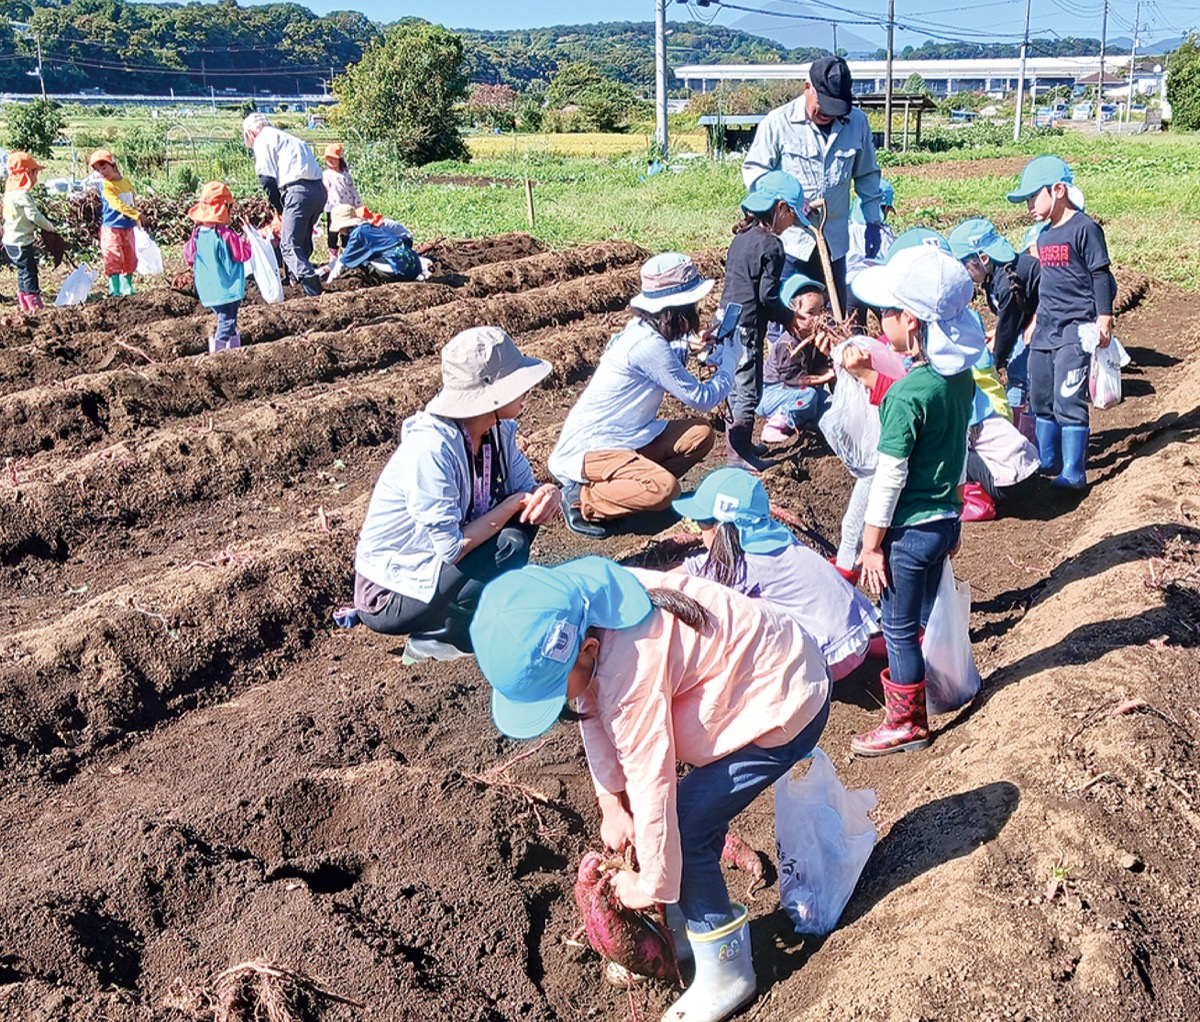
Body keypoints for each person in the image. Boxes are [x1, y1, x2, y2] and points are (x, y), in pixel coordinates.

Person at [470, 555, 830, 1022]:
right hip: (755, 675)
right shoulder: (582, 608)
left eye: (553, 691)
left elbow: (652, 777)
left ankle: (728, 972)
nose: (561, 703)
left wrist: (649, 884)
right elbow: (591, 707)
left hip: (784, 700)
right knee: (667, 826)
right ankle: (684, 924)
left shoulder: (631, 663)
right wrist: (610, 804)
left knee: (687, 823)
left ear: (589, 650)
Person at [845, 243, 983, 755]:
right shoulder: (957, 379)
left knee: (898, 627)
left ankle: (907, 723)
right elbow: (947, 442)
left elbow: (889, 476)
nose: (880, 322)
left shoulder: (907, 395)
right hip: (944, 518)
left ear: (911, 320)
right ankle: (949, 679)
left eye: (885, 313)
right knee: (928, 613)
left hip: (907, 532)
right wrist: (955, 520)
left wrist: (872, 545)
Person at [353, 327, 560, 663]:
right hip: (392, 593)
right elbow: (451, 547)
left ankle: (467, 619)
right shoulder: (432, 449)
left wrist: (546, 492)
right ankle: (439, 632)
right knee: (511, 542)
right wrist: (513, 503)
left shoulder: (498, 432)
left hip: (437, 568)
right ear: (492, 394)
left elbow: (527, 489)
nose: (527, 391)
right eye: (517, 382)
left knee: (523, 522)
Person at [550, 253, 741, 538]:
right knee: (666, 489)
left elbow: (666, 359)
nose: (695, 310)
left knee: (699, 435)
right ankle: (582, 499)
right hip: (595, 446)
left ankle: (631, 494)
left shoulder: (643, 330)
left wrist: (692, 346)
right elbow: (702, 399)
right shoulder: (647, 345)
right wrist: (730, 363)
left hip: (628, 436)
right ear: (676, 310)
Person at [673, 467, 878, 680]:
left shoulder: (746, 563)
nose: (699, 529)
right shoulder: (772, 540)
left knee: (734, 608)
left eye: (701, 523)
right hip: (857, 640)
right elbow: (697, 567)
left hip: (832, 661)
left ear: (720, 529)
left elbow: (689, 580)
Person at [742, 55, 885, 312]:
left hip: (834, 242)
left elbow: (867, 175)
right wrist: (786, 201)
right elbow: (755, 172)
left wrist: (871, 221)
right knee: (790, 317)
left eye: (836, 107)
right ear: (807, 88)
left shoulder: (857, 123)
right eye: (824, 105)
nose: (829, 114)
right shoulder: (778, 123)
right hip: (790, 242)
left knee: (832, 315)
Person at [1007, 155, 1115, 490]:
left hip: (1076, 326)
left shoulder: (1085, 229)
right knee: (1040, 394)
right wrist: (1032, 319)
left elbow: (1100, 274)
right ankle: (1047, 459)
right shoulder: (1043, 236)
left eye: (1032, 197)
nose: (1028, 205)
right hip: (1046, 327)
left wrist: (1104, 317)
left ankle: (1073, 471)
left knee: (1067, 395)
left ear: (1058, 190)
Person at [721, 171, 811, 470]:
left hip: (727, 319)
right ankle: (738, 456)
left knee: (735, 385)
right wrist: (790, 319)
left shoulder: (743, 237)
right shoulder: (772, 246)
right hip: (747, 326)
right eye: (792, 217)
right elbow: (767, 297)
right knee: (747, 389)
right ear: (781, 208)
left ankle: (743, 447)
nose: (793, 224)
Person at [949, 217, 1040, 414]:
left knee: (1029, 374)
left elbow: (1009, 330)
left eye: (965, 266)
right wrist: (997, 333)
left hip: (1051, 320)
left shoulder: (1006, 283)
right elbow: (1011, 318)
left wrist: (993, 363)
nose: (964, 274)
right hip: (1028, 321)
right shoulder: (994, 276)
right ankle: (1017, 424)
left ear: (983, 258)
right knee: (1017, 370)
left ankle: (1030, 430)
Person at [243, 112, 327, 296]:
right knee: (302, 239)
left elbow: (266, 180)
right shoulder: (288, 138)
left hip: (298, 192)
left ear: (251, 134)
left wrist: (280, 208)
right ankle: (294, 283)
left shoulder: (261, 140)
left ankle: (312, 288)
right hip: (319, 191)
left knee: (288, 245)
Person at [757, 273, 835, 444]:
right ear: (791, 314)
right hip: (773, 392)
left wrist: (833, 362)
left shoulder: (816, 338)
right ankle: (776, 425)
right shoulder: (786, 345)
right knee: (809, 396)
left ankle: (810, 422)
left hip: (799, 391)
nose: (818, 318)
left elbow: (822, 366)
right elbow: (793, 380)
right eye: (810, 313)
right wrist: (825, 377)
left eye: (821, 311)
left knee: (830, 402)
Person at [184, 181, 254, 354]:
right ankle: (218, 354)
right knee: (228, 321)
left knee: (226, 319)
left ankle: (232, 350)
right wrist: (250, 239)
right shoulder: (226, 235)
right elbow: (242, 255)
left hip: (208, 288)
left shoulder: (197, 233)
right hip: (226, 287)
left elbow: (189, 258)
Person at [2, 151, 60, 311]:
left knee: (22, 271)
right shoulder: (22, 195)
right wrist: (50, 227)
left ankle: (24, 301)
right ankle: (34, 302)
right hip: (21, 242)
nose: (37, 178)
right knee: (29, 272)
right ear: (27, 174)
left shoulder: (9, 194)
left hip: (9, 241)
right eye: (35, 173)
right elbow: (33, 215)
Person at [88, 148, 141, 298]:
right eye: (98, 170)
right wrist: (137, 215)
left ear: (113, 166)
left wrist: (136, 218)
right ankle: (114, 288)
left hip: (127, 227)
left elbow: (131, 201)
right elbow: (117, 204)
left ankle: (127, 285)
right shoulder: (106, 186)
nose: (102, 172)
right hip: (111, 228)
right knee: (113, 255)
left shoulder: (126, 183)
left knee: (130, 255)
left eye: (104, 167)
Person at [326, 205, 424, 284]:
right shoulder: (369, 228)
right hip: (414, 265)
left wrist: (330, 282)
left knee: (362, 263)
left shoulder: (358, 234)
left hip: (400, 268)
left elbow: (343, 261)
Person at [845, 179, 896, 329]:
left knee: (855, 331)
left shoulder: (848, 229)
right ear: (883, 208)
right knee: (890, 327)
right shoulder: (883, 232)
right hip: (876, 285)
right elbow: (890, 260)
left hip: (850, 286)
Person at [322, 143, 361, 262]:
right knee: (332, 232)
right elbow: (325, 191)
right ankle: (333, 257)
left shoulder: (345, 175)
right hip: (333, 209)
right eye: (328, 158)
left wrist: (358, 204)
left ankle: (346, 255)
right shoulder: (326, 175)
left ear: (339, 159)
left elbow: (352, 190)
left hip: (347, 208)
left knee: (346, 232)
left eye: (333, 158)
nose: (330, 161)